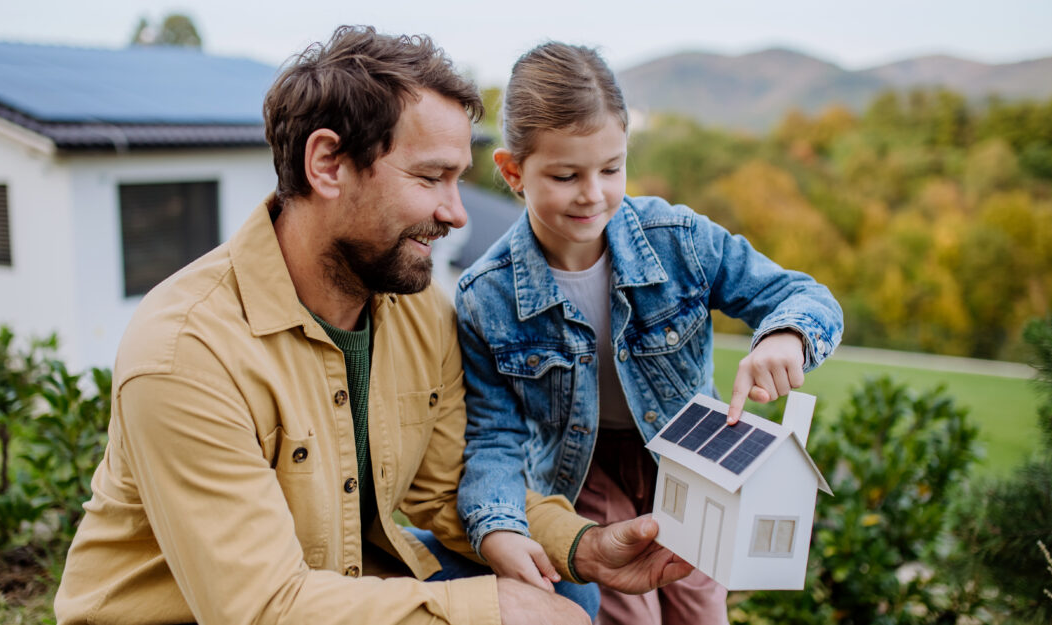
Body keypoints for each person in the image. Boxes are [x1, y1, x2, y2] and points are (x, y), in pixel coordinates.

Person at [54, 26, 693, 625]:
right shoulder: (187, 351)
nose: (457, 214)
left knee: (561, 583)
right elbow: (260, 607)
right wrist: (487, 608)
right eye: (430, 178)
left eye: (458, 180)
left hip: (332, 576)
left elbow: (453, 486)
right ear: (328, 163)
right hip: (217, 612)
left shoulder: (417, 309)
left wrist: (583, 545)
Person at [454, 42, 844, 625]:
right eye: (565, 175)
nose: (593, 193)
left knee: (700, 610)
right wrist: (498, 525)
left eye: (611, 169)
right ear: (513, 171)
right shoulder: (487, 295)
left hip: (691, 460)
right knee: (629, 615)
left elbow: (803, 296)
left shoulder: (679, 240)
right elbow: (493, 435)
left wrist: (785, 336)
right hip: (580, 476)